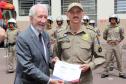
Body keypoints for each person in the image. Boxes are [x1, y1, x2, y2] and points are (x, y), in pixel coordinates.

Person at [54, 2, 105, 84]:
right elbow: (56, 54)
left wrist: (90, 65)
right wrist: (56, 60)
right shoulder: (60, 34)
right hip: (65, 79)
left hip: (84, 80)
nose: (75, 14)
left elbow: (101, 57)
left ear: (83, 14)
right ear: (67, 14)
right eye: (72, 12)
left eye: (78, 12)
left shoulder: (91, 34)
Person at [14, 4, 64, 84]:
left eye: (45, 17)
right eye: (40, 17)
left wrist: (53, 61)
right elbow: (27, 66)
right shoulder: (23, 38)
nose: (43, 20)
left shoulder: (45, 35)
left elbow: (49, 57)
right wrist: (49, 80)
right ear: (31, 18)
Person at [101, 14, 126, 78]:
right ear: (110, 20)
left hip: (117, 45)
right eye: (111, 19)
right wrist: (108, 41)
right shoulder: (107, 27)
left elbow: (122, 36)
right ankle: (105, 72)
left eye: (114, 19)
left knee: (119, 59)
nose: (113, 20)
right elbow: (104, 36)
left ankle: (121, 73)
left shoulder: (120, 27)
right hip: (109, 45)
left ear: (116, 20)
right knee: (107, 59)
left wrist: (118, 41)